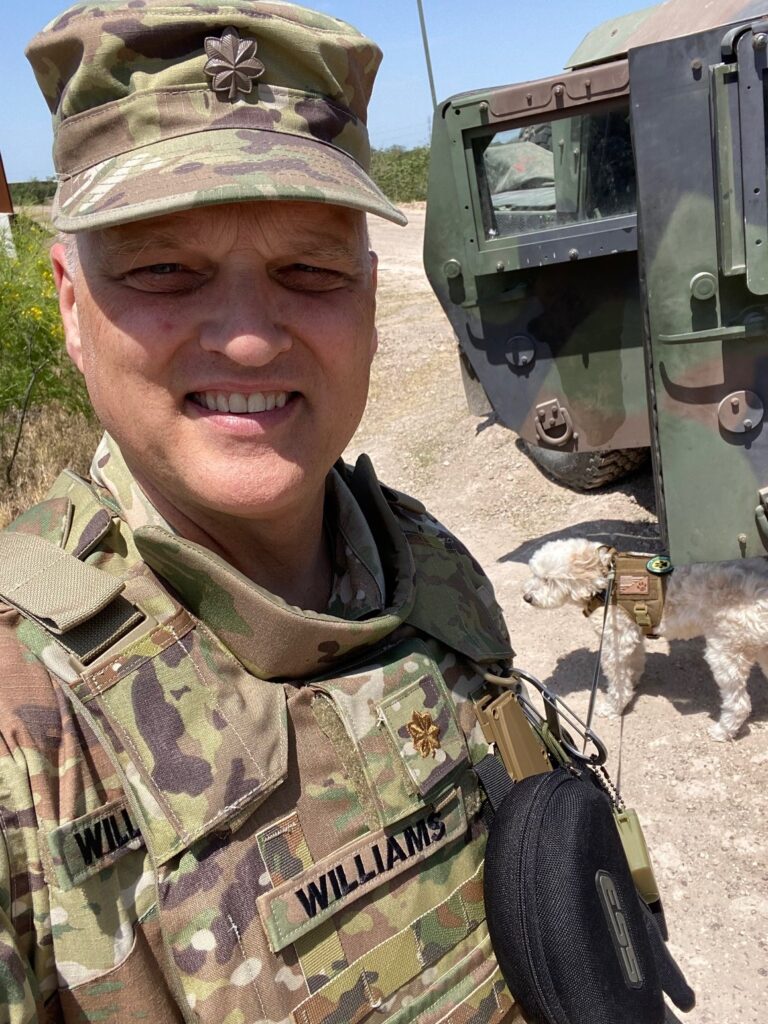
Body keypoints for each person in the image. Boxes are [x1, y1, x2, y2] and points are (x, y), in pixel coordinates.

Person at [0, 2, 522, 1021]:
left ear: (370, 297)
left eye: (309, 271)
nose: (248, 338)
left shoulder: (429, 567)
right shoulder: (28, 736)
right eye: (163, 268)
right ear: (69, 302)